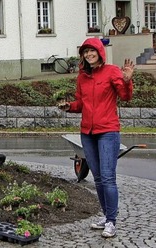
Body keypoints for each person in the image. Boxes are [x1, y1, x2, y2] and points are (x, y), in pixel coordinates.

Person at [58, 37, 134, 238]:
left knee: (108, 178)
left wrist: (127, 81)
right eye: (85, 52)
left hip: (108, 131)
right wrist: (70, 107)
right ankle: (107, 215)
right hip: (88, 133)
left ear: (100, 52)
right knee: (98, 178)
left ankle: (112, 221)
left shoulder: (111, 71)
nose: (89, 55)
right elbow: (81, 104)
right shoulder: (82, 76)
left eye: (92, 51)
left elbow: (125, 96)